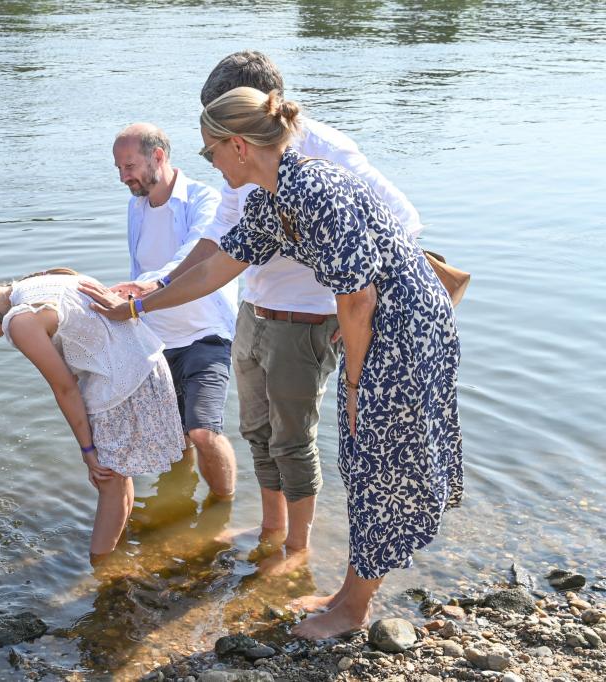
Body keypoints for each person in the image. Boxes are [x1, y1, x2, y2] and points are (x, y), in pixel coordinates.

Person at [81, 86, 462, 639]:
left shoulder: (312, 189)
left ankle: (352, 611)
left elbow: (357, 300)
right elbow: (216, 269)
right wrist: (138, 304)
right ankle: (348, 593)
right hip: (378, 323)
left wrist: (355, 385)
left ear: (238, 145)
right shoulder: (269, 195)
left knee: (374, 458)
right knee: (361, 456)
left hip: (404, 329)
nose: (208, 163)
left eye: (211, 151)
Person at [112, 51, 424, 569]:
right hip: (257, 310)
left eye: (214, 146)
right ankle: (274, 530)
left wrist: (356, 365)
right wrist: (147, 296)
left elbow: (400, 228)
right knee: (260, 433)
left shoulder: (321, 164)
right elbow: (220, 252)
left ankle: (301, 557)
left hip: (313, 316)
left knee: (315, 443)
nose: (211, 160)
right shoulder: (256, 186)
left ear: (244, 128)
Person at [0, 269, 185, 561]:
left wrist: (87, 450)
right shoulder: (41, 279)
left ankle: (102, 571)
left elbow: (65, 389)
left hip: (123, 382)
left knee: (106, 477)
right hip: (147, 364)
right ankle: (118, 550)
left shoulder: (19, 321)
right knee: (116, 477)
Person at [111, 123, 239, 500]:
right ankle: (179, 505)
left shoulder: (205, 200)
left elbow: (196, 255)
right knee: (173, 438)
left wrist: (152, 287)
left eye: (129, 165)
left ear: (159, 156)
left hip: (205, 335)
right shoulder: (136, 206)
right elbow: (138, 271)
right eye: (118, 168)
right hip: (155, 339)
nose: (124, 176)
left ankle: (222, 507)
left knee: (203, 431)